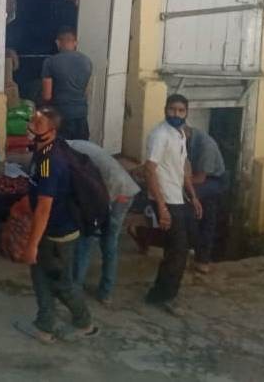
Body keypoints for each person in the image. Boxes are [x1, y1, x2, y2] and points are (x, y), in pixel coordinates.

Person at [23, 107, 96, 343]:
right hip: (51, 231)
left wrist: (32, 244)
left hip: (57, 234)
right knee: (40, 276)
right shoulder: (46, 151)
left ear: (52, 131)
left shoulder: (50, 163)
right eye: (32, 122)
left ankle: (85, 323)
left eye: (38, 125)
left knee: (61, 283)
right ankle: (44, 325)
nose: (31, 128)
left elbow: (45, 206)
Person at [143, 94, 203, 316]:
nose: (176, 114)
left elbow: (182, 169)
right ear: (165, 109)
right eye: (172, 110)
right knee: (178, 251)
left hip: (177, 197)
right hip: (165, 198)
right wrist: (162, 207)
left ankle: (160, 292)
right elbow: (149, 170)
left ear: (186, 113)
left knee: (177, 249)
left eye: (181, 111)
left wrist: (193, 196)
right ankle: (164, 296)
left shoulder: (179, 134)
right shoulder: (160, 135)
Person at [70, 140, 141, 305]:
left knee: (87, 239)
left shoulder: (67, 154)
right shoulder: (77, 146)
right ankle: (106, 293)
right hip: (123, 191)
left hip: (113, 193)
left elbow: (82, 185)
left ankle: (75, 289)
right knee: (109, 243)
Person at [185, 124, 227, 274]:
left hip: (212, 179)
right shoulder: (185, 139)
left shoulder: (206, 146)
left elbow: (200, 178)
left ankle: (201, 257)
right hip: (196, 176)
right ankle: (198, 253)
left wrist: (179, 182)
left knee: (191, 207)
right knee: (200, 213)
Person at [41, 26, 92, 141]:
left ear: (58, 43)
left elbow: (46, 96)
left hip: (61, 115)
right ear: (75, 43)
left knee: (64, 152)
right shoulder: (87, 61)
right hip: (81, 114)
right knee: (82, 150)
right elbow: (86, 90)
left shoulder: (50, 62)